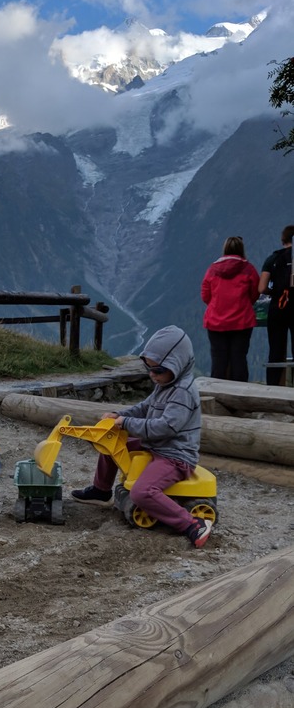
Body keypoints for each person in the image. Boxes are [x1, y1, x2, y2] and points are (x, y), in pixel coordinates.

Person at [71, 325, 212, 549]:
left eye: (158, 370)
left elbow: (165, 427)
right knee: (112, 442)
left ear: (177, 365)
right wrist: (120, 415)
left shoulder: (183, 392)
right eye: (149, 368)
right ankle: (101, 488)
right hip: (158, 445)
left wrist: (126, 423)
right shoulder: (166, 384)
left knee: (141, 492)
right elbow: (145, 407)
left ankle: (192, 524)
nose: (152, 375)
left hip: (174, 454)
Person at [200, 236, 259, 381]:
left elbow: (205, 295)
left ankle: (217, 393)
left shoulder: (212, 269)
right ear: (241, 249)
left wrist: (217, 305)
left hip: (215, 321)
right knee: (238, 358)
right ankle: (240, 394)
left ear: (225, 249)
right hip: (242, 321)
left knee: (218, 359)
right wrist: (244, 304)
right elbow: (255, 293)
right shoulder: (248, 269)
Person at [258, 225, 294, 386]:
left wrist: (274, 292)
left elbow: (261, 288)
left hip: (278, 307)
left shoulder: (273, 259)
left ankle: (272, 387)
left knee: (276, 350)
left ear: (283, 240)